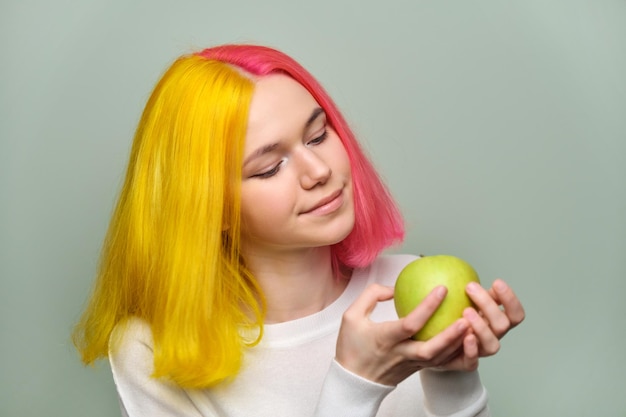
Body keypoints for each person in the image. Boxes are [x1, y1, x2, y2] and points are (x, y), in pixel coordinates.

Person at [72, 44, 525, 417]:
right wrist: (355, 385)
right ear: (210, 207)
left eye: (317, 135)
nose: (318, 171)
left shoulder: (410, 292)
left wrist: (452, 377)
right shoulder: (152, 349)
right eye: (269, 168)